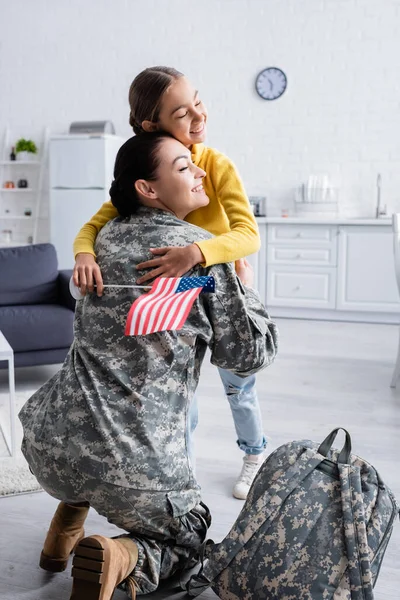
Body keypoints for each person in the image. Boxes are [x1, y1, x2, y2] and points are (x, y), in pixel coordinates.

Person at [19, 133, 278, 600]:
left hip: (47, 442)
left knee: (88, 455)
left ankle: (61, 536)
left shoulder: (102, 236)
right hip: (130, 465)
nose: (201, 172)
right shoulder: (202, 253)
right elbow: (247, 356)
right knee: (194, 534)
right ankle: (124, 557)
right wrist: (247, 287)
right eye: (184, 166)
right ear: (149, 188)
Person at [73, 66, 268, 499]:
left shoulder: (214, 165)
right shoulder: (148, 170)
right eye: (183, 112)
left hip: (222, 288)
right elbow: (94, 224)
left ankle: (253, 454)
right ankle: (181, 475)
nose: (199, 115)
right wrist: (85, 254)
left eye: (198, 101)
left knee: (239, 384)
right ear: (152, 125)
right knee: (183, 391)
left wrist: (197, 253)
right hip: (182, 298)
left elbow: (248, 234)